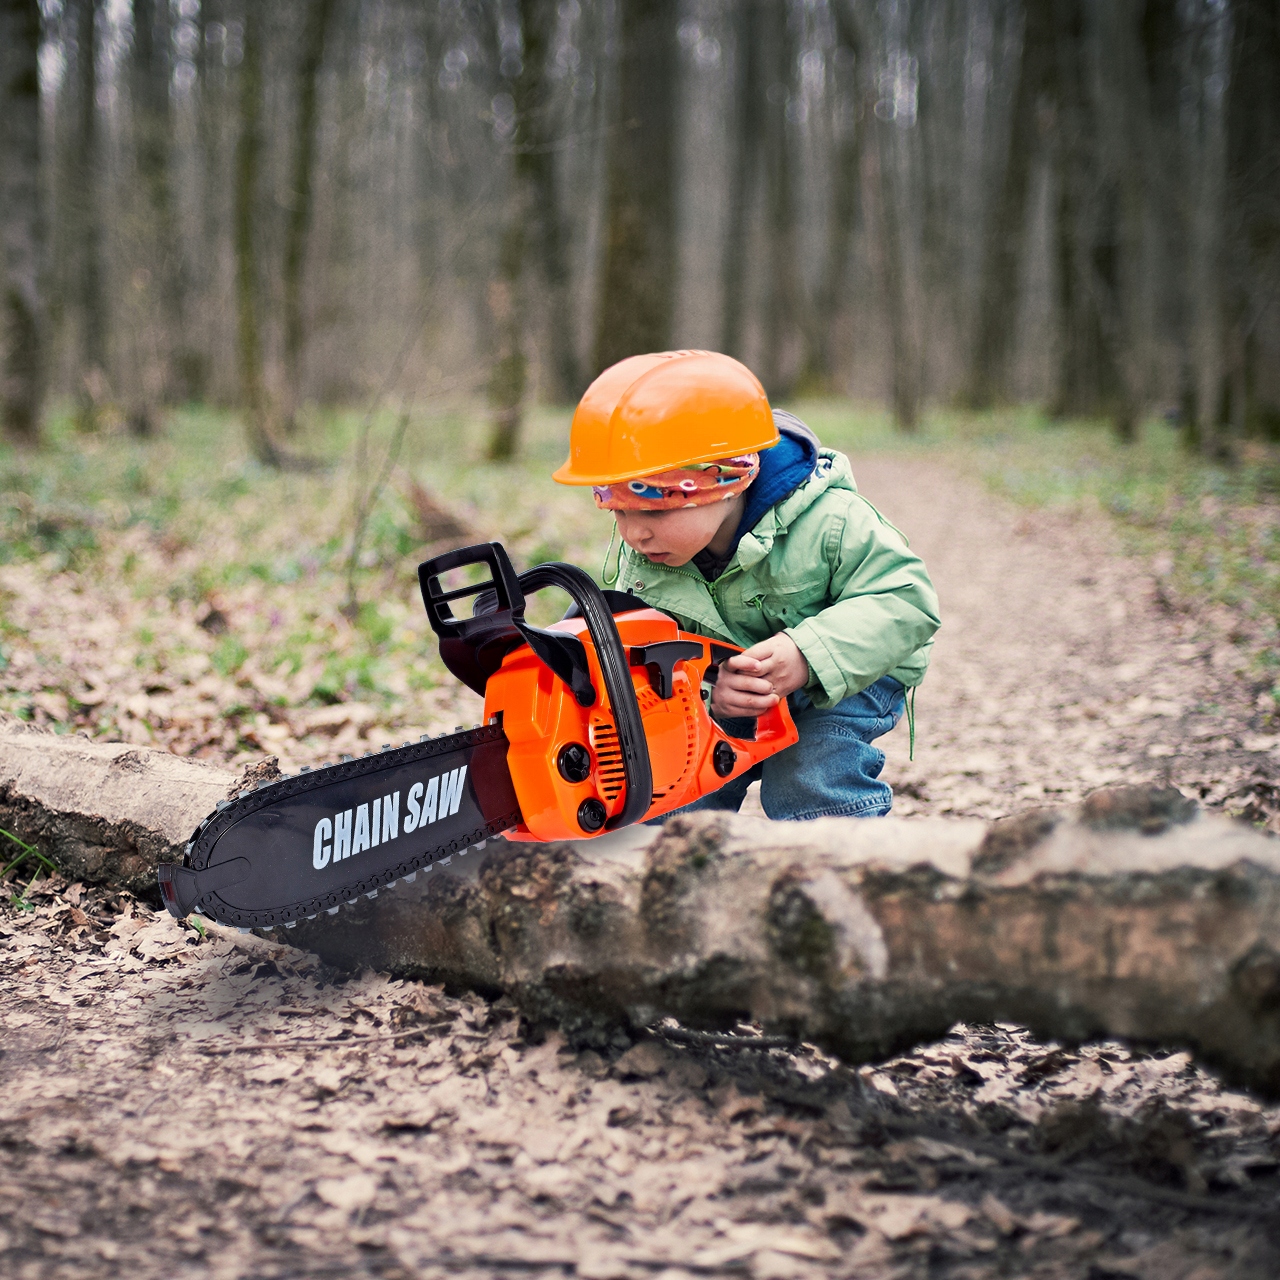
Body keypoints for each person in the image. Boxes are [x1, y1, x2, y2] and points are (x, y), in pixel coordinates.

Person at [553, 350, 940, 820]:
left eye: (653, 510)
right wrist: (708, 689)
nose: (634, 533)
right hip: (729, 688)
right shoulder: (648, 560)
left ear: (724, 483)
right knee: (672, 789)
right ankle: (685, 874)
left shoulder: (830, 521)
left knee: (808, 773)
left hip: (846, 677)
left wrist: (807, 654)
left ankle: (838, 872)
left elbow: (907, 599)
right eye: (618, 511)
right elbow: (655, 662)